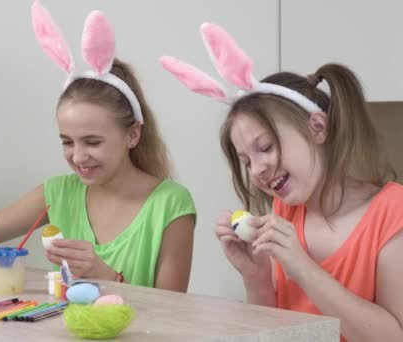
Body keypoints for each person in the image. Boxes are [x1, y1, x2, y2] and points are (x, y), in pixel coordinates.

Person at [162, 23, 403, 340]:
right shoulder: (286, 212)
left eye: (266, 147)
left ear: (318, 128)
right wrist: (256, 276)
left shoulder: (391, 211)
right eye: (246, 160)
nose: (257, 169)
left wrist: (302, 268)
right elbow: (276, 332)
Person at [0, 1, 196, 292]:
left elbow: (176, 314)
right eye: (67, 142)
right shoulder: (58, 193)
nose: (78, 156)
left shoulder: (171, 204)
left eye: (93, 142)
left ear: (133, 135)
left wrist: (106, 276)